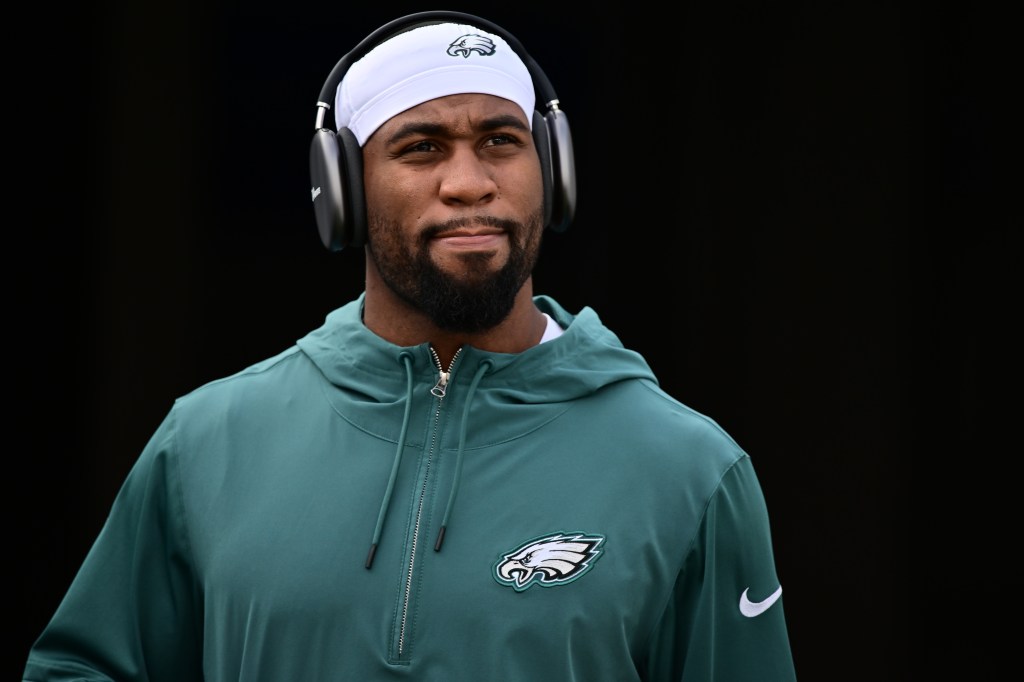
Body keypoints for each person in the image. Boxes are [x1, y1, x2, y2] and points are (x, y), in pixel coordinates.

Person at [23, 10, 796, 681]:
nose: (468, 182)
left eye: (500, 140)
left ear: (551, 172)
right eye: (421, 147)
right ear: (343, 192)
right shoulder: (207, 442)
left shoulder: (691, 470)